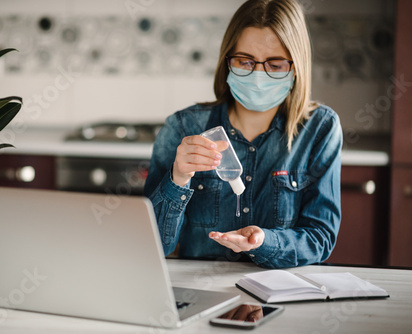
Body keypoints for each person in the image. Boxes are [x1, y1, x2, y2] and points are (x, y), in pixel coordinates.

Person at [143, 0, 342, 268]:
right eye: (245, 61)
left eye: (275, 65)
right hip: (201, 292)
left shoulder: (319, 128)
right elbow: (153, 246)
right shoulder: (183, 128)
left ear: (296, 68)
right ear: (228, 61)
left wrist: (265, 242)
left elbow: (320, 238)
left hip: (280, 292)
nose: (258, 76)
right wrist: (178, 178)